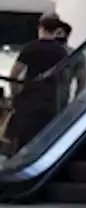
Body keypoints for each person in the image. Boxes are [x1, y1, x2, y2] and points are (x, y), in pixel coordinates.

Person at [4, 15, 69, 152]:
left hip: (29, 99)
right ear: (56, 30)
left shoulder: (30, 48)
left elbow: (14, 74)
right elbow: (65, 77)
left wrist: (16, 93)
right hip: (50, 100)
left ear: (40, 28)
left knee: (23, 139)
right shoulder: (61, 51)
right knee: (44, 138)